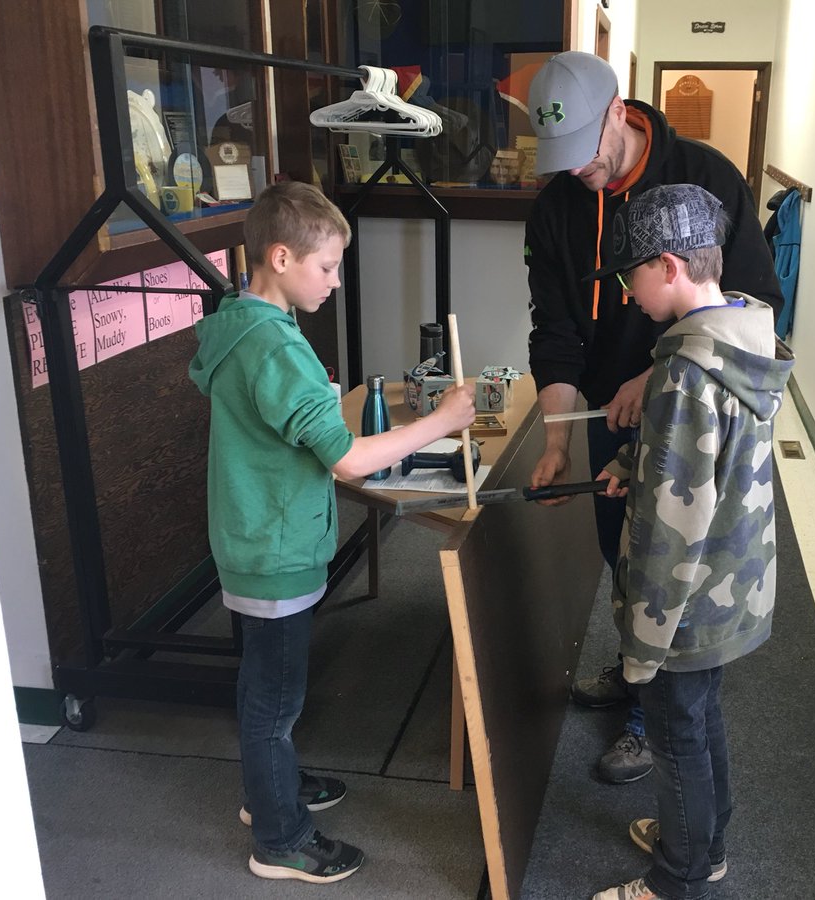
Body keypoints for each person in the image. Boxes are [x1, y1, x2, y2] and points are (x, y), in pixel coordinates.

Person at [188, 181, 476, 884]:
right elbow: (347, 459)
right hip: (275, 548)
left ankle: (271, 786)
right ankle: (279, 839)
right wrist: (440, 422)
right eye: (327, 266)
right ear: (281, 258)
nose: (335, 281)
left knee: (265, 685)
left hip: (255, 536)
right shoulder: (273, 348)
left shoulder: (243, 324)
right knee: (275, 702)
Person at [523, 50, 784, 784]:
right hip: (609, 412)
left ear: (618, 110)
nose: (576, 168)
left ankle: (653, 713)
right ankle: (638, 670)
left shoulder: (707, 178)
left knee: (679, 563)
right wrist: (557, 441)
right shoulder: (557, 207)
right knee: (626, 554)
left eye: (583, 146)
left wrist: (658, 371)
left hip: (688, 402)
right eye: (559, 154)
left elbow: (757, 307)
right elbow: (554, 331)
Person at [585, 184, 793, 900]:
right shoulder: (740, 339)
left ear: (668, 267)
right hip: (732, 584)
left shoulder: (681, 374)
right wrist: (631, 463)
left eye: (630, 278)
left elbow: (671, 533)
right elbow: (707, 458)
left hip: (684, 603)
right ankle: (704, 843)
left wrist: (642, 645)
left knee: (676, 739)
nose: (626, 294)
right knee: (701, 723)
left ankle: (680, 877)